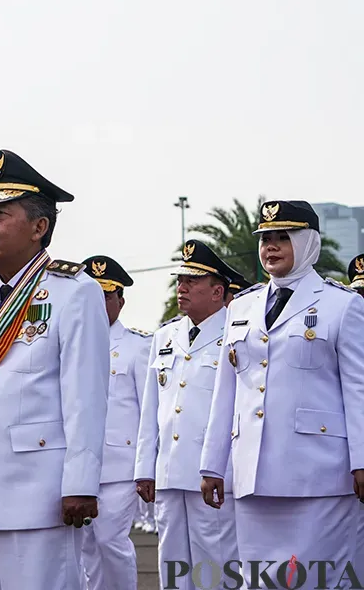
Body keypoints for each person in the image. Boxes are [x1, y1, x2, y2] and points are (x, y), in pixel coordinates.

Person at [0, 149, 107, 590]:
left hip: (39, 494)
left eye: (2, 213)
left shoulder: (74, 292)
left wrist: (81, 483)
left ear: (39, 227)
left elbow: (85, 399)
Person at [200, 201, 364, 566]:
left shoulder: (343, 305)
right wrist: (212, 465)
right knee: (260, 577)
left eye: (283, 238)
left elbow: (358, 391)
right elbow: (227, 391)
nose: (270, 247)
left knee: (321, 575)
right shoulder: (241, 308)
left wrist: (362, 461)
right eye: (266, 239)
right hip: (253, 475)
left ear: (307, 243)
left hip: (320, 476)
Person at [137, 240, 240, 585]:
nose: (182, 288)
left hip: (214, 473)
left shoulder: (236, 334)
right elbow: (152, 409)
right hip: (169, 472)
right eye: (181, 280)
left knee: (215, 562)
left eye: (192, 282)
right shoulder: (166, 336)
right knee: (172, 562)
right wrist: (144, 469)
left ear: (217, 292)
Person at [78, 255, 150, 590]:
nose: (99, 303)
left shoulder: (137, 347)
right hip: (79, 464)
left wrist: (145, 466)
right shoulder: (70, 343)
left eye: (106, 296)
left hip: (120, 465)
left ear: (120, 301)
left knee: (110, 540)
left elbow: (148, 409)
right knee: (86, 547)